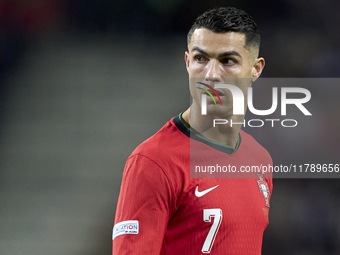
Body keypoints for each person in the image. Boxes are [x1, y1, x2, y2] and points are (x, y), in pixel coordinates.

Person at [112, 7, 273, 255]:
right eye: (201, 59)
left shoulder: (260, 159)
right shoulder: (153, 162)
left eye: (227, 61)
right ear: (187, 62)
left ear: (256, 69)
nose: (211, 74)